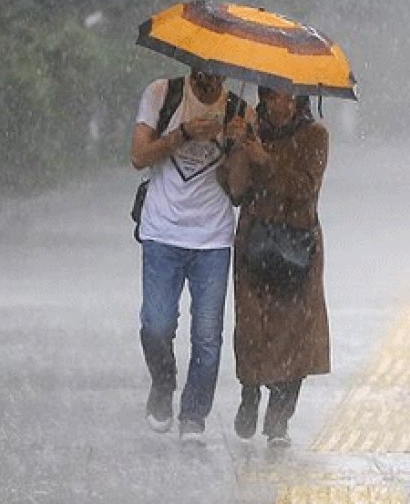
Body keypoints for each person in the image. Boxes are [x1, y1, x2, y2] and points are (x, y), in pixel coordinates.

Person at [129, 69, 247, 444]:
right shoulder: (162, 93)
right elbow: (138, 156)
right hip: (162, 232)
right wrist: (183, 134)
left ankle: (194, 414)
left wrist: (237, 145)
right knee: (156, 325)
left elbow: (241, 190)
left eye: (218, 72)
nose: (210, 80)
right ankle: (163, 383)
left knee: (207, 335)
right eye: (203, 70)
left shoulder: (239, 109)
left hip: (212, 238)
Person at [220, 85, 330, 448]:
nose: (278, 104)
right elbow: (234, 191)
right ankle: (250, 393)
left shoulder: (315, 135)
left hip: (297, 243)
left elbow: (304, 188)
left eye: (286, 97)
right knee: (252, 325)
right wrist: (237, 147)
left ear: (299, 99)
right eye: (271, 96)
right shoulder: (250, 125)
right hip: (255, 240)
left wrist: (264, 157)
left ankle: (279, 420)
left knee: (295, 334)